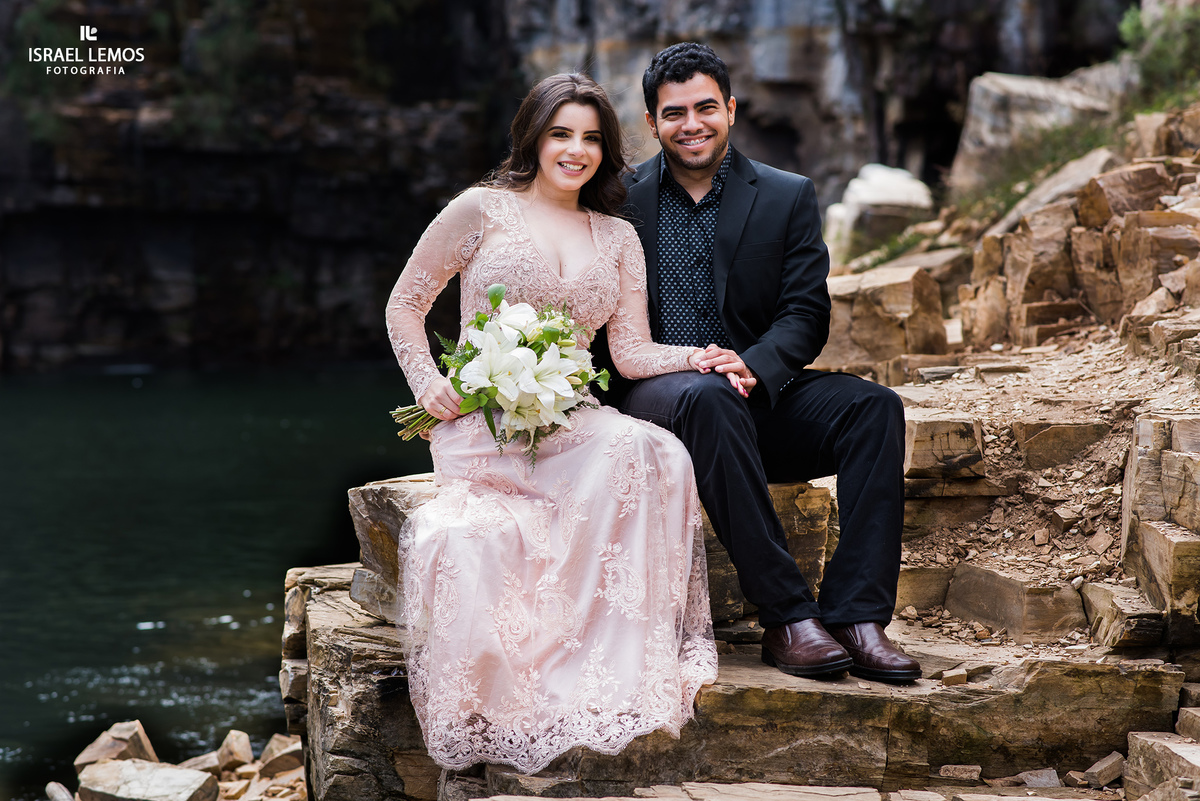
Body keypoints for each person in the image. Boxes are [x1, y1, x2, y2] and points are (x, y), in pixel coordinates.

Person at [384, 73, 722, 775]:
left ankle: (606, 661)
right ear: (533, 138)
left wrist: (698, 354)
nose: (576, 150)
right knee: (470, 535)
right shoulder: (481, 209)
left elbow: (626, 352)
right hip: (484, 423)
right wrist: (431, 383)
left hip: (569, 416)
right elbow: (405, 304)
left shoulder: (621, 236)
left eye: (592, 138)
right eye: (561, 134)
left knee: (656, 451)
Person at [597, 42, 921, 684]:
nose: (692, 123)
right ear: (651, 122)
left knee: (873, 409)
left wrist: (751, 363)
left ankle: (858, 617)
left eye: (705, 108)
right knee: (706, 396)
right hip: (655, 400)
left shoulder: (787, 195)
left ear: (732, 110)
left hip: (753, 396)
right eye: (674, 113)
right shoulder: (615, 201)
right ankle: (786, 618)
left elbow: (805, 315)